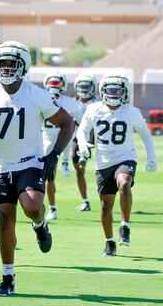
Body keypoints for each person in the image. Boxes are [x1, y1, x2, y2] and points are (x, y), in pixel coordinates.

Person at [0, 41, 74, 295]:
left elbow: (67, 122)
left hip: (29, 162)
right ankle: (8, 279)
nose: (5, 68)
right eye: (2, 63)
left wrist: (54, 154)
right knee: (5, 222)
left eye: (11, 63)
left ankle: (40, 225)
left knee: (32, 207)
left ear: (23, 66)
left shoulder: (37, 94)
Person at [77, 73, 157, 257]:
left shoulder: (132, 112)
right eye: (109, 90)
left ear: (125, 92)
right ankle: (109, 242)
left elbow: (145, 134)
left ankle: (125, 225)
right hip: (103, 162)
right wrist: (83, 145)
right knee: (106, 206)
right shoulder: (93, 109)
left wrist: (151, 157)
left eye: (117, 90)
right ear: (102, 91)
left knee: (125, 183)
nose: (113, 94)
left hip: (125, 157)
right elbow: (82, 131)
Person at [42, 72, 83, 220]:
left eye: (56, 84)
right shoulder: (41, 99)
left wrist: (83, 140)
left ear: (63, 85)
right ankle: (51, 208)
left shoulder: (70, 103)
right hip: (45, 139)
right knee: (47, 176)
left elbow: (82, 122)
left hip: (63, 138)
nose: (53, 87)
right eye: (51, 83)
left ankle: (65, 163)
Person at [71, 72, 98, 212]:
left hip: (95, 137)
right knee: (79, 171)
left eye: (87, 86)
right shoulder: (72, 102)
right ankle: (86, 202)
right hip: (76, 137)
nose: (85, 89)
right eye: (82, 86)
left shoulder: (97, 104)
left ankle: (84, 153)